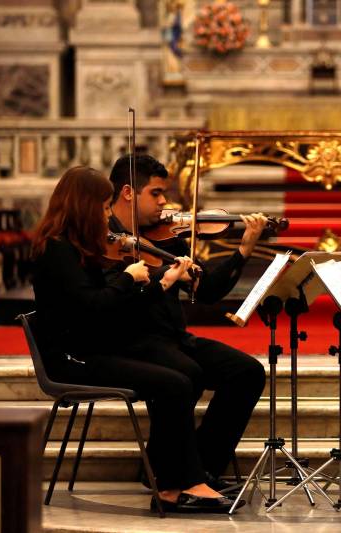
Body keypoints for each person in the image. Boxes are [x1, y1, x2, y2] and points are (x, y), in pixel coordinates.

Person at [31, 166, 236, 513]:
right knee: (173, 383)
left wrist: (160, 284)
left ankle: (176, 482)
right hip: (72, 358)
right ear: (84, 205)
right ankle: (180, 483)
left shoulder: (80, 248)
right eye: (102, 206)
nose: (107, 214)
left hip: (96, 349)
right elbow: (92, 308)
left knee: (181, 377)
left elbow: (114, 307)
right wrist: (127, 278)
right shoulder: (57, 250)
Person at [107, 154, 267, 501]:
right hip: (130, 342)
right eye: (156, 193)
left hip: (172, 338)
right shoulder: (102, 239)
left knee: (247, 372)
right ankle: (175, 474)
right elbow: (109, 304)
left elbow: (207, 290)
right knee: (187, 373)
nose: (165, 203)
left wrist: (243, 250)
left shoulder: (164, 239)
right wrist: (159, 280)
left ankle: (201, 468)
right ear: (128, 193)